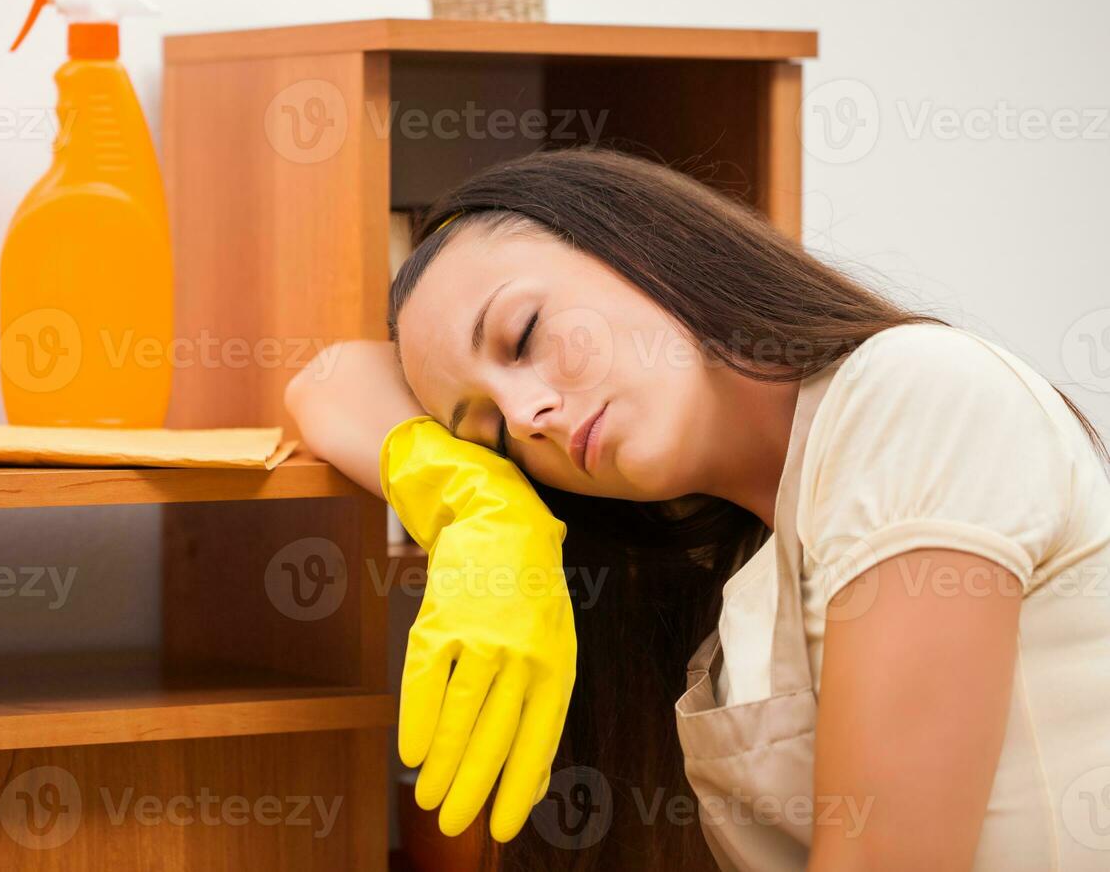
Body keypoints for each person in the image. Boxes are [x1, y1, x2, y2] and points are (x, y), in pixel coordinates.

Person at [284, 148, 1110, 870]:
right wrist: (483, 508)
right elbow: (329, 379)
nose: (528, 416)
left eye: (526, 332)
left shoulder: (911, 394)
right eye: (493, 434)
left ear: (641, 240)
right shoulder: (735, 572)